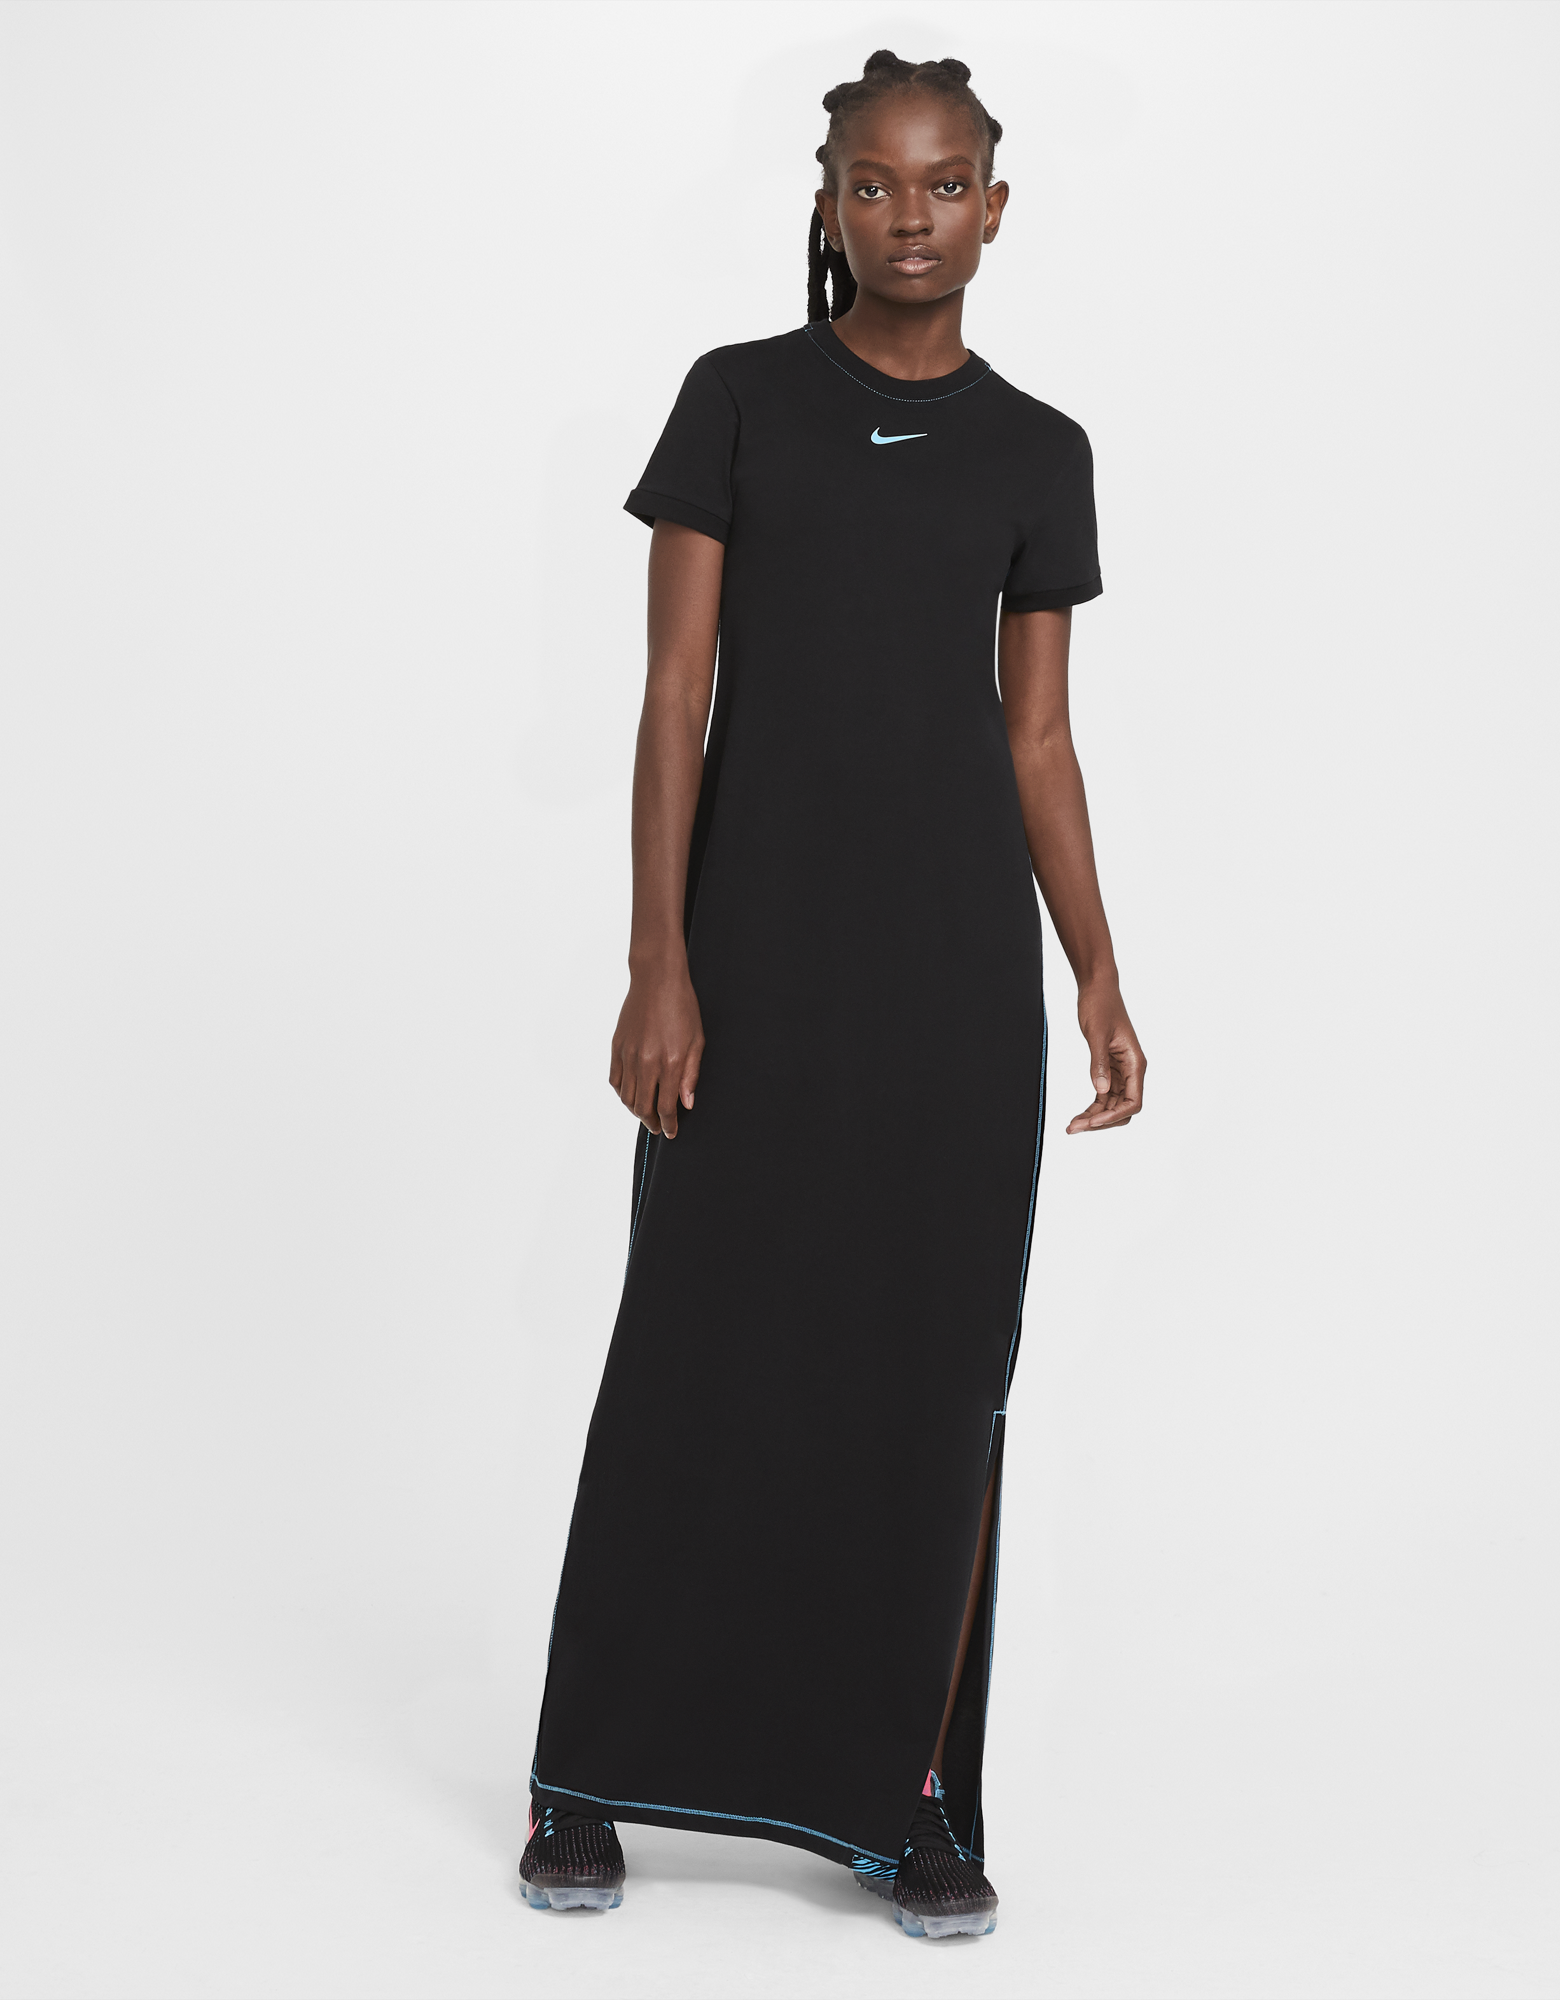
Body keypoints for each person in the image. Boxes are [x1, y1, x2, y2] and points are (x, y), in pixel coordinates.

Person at [520, 49, 1145, 1941]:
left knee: (940, 1381)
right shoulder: (738, 402)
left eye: (945, 185)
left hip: (954, 988)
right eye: (874, 185)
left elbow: (1037, 739)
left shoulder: (1039, 450)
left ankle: (915, 1799)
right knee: (692, 1353)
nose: (910, 217)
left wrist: (1099, 968)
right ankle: (586, 1772)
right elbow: (673, 696)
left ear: (997, 209)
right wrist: (659, 960)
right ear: (826, 202)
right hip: (753, 970)